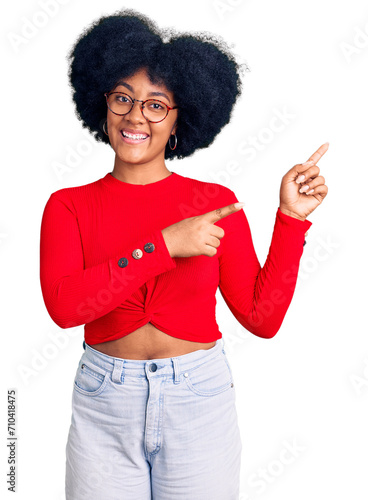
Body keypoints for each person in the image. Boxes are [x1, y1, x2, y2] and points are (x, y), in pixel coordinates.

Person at [39, 8, 328, 500]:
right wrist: (165, 246)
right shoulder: (68, 206)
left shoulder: (213, 203)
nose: (135, 116)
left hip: (199, 400)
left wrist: (290, 219)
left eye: (156, 105)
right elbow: (66, 309)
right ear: (101, 105)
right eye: (123, 99)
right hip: (104, 401)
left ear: (178, 121)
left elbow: (262, 318)